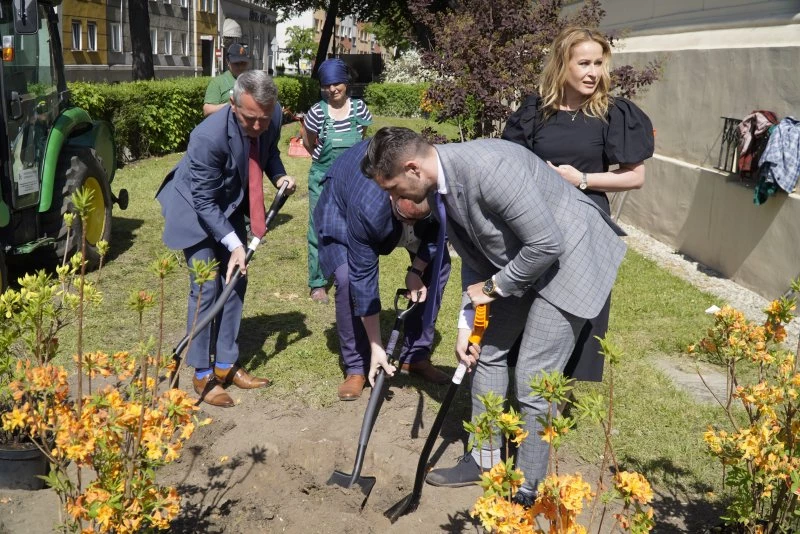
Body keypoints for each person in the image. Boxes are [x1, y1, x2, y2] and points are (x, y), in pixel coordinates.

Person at [361, 126, 627, 506]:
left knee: (535, 377)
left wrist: (490, 290)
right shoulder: (443, 186)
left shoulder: (490, 168)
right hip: (521, 263)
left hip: (571, 259)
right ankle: (485, 460)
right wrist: (467, 323)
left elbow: (548, 243)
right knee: (483, 352)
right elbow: (475, 256)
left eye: (391, 188)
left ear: (412, 169)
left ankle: (529, 486)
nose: (391, 198)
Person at [502, 26, 654, 382]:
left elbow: (635, 177)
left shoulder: (611, 113)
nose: (593, 72)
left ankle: (549, 395)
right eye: (584, 63)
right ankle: (520, 390)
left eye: (599, 63)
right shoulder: (534, 112)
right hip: (538, 221)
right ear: (562, 65)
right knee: (524, 303)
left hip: (587, 222)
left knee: (572, 306)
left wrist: (582, 180)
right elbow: (511, 164)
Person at [156, 71, 297, 407]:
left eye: (264, 118)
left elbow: (268, 152)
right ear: (233, 104)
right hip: (194, 207)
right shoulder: (208, 136)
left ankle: (225, 365)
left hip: (228, 202)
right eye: (251, 119)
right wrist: (235, 244)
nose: (259, 126)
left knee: (235, 281)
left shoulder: (269, 115)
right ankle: (201, 371)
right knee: (206, 286)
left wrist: (278, 176)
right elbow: (203, 201)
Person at [314, 140, 451, 400]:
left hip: (405, 210)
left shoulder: (435, 187)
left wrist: (417, 270)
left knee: (439, 264)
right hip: (343, 208)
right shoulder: (368, 206)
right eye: (405, 217)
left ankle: (416, 355)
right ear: (392, 195)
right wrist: (379, 345)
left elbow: (439, 234)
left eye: (416, 218)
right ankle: (356, 366)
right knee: (347, 278)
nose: (409, 224)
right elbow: (363, 275)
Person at [300, 58, 373, 304]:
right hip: (322, 175)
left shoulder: (359, 109)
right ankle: (317, 282)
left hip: (353, 178)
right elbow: (309, 142)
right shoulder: (316, 112)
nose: (332, 89)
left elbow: (362, 139)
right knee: (317, 227)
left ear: (346, 83)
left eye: (337, 84)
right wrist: (322, 162)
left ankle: (351, 273)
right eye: (327, 85)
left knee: (353, 225)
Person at [203, 43, 252, 117]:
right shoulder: (218, 82)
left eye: (243, 63)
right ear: (228, 62)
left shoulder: (253, 80)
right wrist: (230, 105)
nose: (240, 67)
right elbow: (207, 110)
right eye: (236, 63)